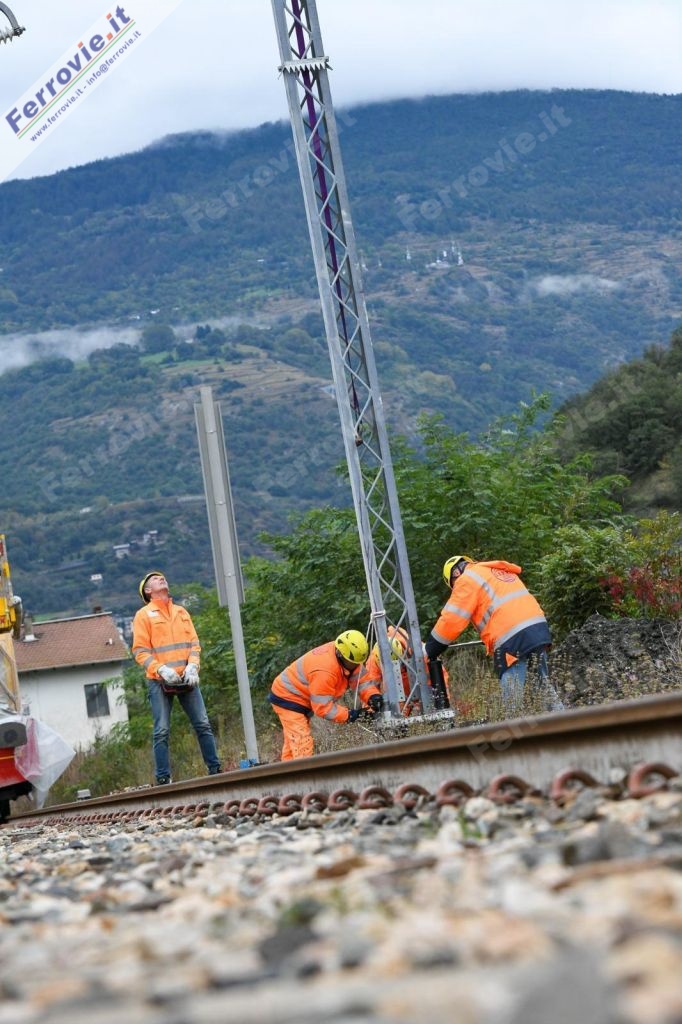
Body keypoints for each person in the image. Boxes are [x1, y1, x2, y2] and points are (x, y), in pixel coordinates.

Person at [424, 555, 564, 715]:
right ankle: (566, 723)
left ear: (455, 574)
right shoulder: (494, 571)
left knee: (512, 704)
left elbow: (452, 620)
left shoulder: (466, 579)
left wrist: (430, 649)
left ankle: (513, 730)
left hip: (511, 639)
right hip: (537, 630)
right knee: (543, 687)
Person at [132, 571, 222, 785]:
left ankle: (215, 769)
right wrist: (161, 670)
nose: (161, 578)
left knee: (203, 724)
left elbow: (194, 644)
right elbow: (140, 651)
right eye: (155, 579)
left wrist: (193, 666)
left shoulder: (181, 612)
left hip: (186, 676)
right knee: (161, 730)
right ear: (148, 590)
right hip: (159, 680)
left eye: (162, 577)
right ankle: (163, 778)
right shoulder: (143, 615)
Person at [269, 629, 383, 760]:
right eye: (352, 663)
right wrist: (352, 715)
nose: (355, 666)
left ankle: (287, 771)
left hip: (297, 696)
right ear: (340, 655)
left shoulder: (348, 655)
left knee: (292, 743)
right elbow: (324, 708)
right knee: (302, 742)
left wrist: (373, 696)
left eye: (357, 663)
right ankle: (304, 771)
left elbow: (362, 681)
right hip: (287, 697)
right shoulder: (325, 671)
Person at [360, 626, 453, 716]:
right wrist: (372, 714)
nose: (396, 671)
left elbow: (440, 678)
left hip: (422, 692)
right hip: (398, 697)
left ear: (402, 655)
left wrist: (442, 704)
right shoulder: (374, 661)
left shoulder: (418, 651)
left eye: (397, 667)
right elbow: (368, 690)